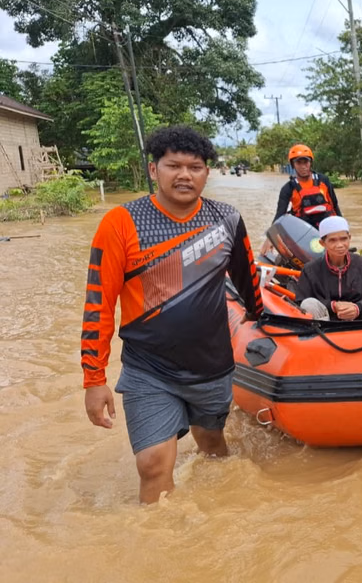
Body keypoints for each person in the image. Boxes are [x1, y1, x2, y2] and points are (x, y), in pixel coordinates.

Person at [81, 125, 263, 505]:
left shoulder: (227, 219)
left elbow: (248, 283)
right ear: (153, 170)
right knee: (152, 464)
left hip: (212, 367)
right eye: (173, 165)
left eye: (195, 167)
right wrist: (93, 379)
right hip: (149, 369)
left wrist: (267, 325)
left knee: (213, 447)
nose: (184, 175)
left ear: (206, 173)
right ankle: (159, 550)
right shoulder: (120, 223)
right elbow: (99, 303)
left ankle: (217, 524)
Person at [295, 216, 362, 320]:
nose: (340, 245)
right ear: (322, 243)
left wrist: (357, 308)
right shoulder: (310, 269)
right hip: (327, 323)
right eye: (333, 240)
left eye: (344, 239)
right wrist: (333, 306)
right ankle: (320, 336)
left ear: (349, 238)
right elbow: (301, 301)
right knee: (308, 303)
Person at [272, 144, 341, 228]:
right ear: (293, 165)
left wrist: (342, 226)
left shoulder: (323, 180)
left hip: (326, 227)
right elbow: (280, 215)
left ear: (310, 162)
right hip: (303, 230)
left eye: (306, 162)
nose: (303, 166)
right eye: (299, 163)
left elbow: (334, 205)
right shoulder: (288, 188)